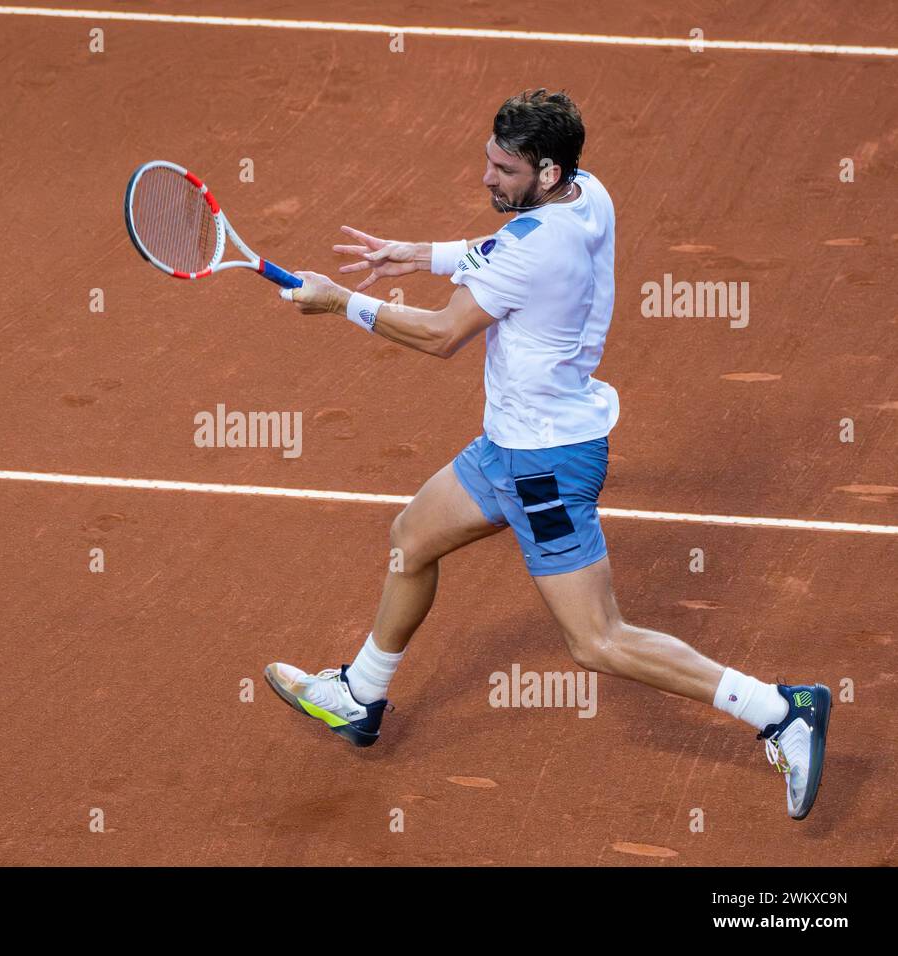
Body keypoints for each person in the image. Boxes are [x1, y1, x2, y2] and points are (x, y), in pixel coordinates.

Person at [266, 89, 830, 820]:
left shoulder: (533, 249)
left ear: (547, 169)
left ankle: (782, 711)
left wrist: (342, 301)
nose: (487, 179)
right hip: (509, 446)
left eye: (503, 170)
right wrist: (419, 253)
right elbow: (500, 248)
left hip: (545, 466)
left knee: (598, 642)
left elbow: (441, 335)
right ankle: (361, 694)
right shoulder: (589, 195)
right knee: (411, 539)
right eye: (489, 162)